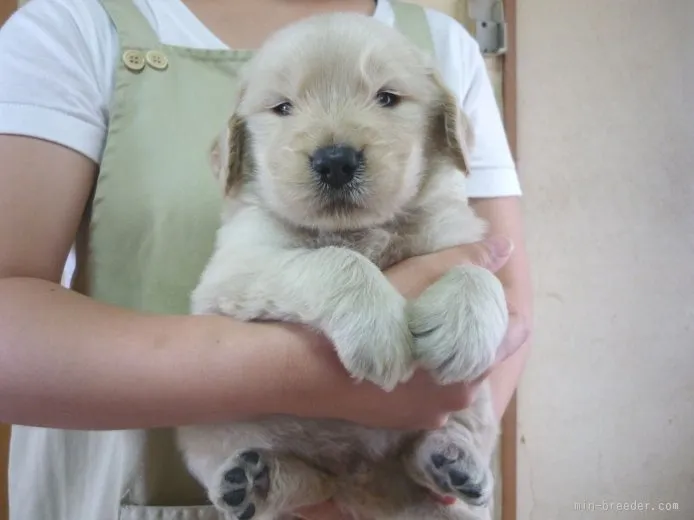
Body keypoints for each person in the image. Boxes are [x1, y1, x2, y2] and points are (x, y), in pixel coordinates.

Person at [0, 0, 532, 519]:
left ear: (446, 126)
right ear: (233, 149)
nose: (336, 150)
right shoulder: (73, 23)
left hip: (408, 498)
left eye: (387, 97)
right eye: (283, 108)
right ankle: (285, 480)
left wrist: (457, 432)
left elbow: (508, 308)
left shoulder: (443, 43)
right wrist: (316, 367)